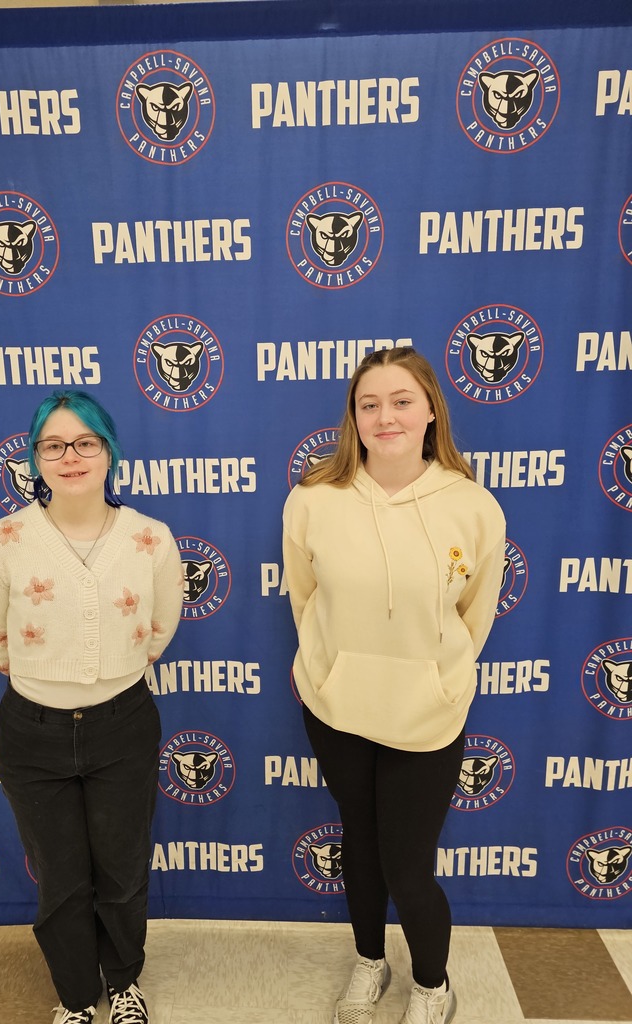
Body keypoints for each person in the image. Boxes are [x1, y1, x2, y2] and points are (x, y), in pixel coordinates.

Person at [282, 349, 506, 1024]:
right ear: (353, 417)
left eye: (402, 400)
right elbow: (305, 597)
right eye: (369, 403)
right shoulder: (313, 498)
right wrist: (325, 670)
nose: (386, 416)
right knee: (360, 846)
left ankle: (433, 985)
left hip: (425, 716)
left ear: (432, 408)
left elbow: (477, 615)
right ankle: (370, 960)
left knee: (408, 868)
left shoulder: (473, 507)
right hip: (337, 707)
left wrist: (437, 680)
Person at [0, 390, 183, 1024]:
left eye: (85, 442)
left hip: (123, 722)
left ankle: (124, 982)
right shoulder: (4, 539)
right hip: (33, 730)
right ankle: (76, 996)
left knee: (120, 868)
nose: (71, 456)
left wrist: (108, 668)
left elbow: (161, 626)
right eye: (53, 445)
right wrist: (49, 676)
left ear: (110, 451)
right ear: (35, 459)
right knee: (61, 875)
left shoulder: (150, 538)